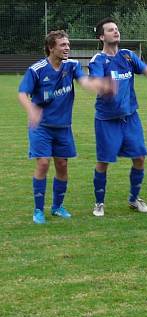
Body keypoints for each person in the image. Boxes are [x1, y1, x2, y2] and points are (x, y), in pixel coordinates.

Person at [18, 30, 109, 224]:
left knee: (62, 164)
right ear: (51, 48)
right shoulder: (37, 70)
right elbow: (22, 94)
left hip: (63, 126)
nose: (67, 48)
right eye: (62, 45)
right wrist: (31, 110)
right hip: (41, 126)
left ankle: (57, 207)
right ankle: (38, 210)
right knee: (43, 163)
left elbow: (84, 81)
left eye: (68, 45)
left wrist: (96, 86)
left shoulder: (72, 66)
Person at [89, 18, 147, 217]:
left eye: (117, 29)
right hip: (107, 120)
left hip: (130, 117)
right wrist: (104, 86)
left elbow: (146, 71)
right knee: (103, 161)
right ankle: (99, 203)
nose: (116, 32)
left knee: (139, 158)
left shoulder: (127, 56)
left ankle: (134, 199)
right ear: (102, 37)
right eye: (110, 30)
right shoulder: (98, 60)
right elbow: (96, 80)